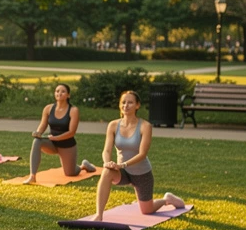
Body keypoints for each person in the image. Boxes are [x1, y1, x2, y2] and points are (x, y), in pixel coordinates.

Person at [93, 90, 184, 220]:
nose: (126, 105)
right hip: (123, 172)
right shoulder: (113, 125)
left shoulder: (145, 126)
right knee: (106, 172)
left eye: (130, 102)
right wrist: (108, 163)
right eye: (123, 102)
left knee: (147, 210)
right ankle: (99, 215)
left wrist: (122, 164)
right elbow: (106, 150)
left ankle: (166, 199)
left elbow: (142, 154)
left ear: (137, 105)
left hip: (141, 173)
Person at [23, 83, 95, 183]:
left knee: (70, 173)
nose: (59, 93)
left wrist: (56, 138)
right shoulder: (48, 108)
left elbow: (71, 132)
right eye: (57, 91)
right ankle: (32, 176)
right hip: (52, 143)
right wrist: (38, 132)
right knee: (37, 141)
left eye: (63, 91)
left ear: (68, 95)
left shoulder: (73, 110)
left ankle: (83, 166)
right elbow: (43, 125)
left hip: (67, 145)